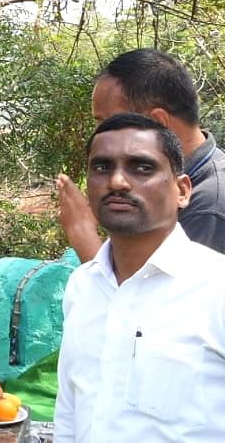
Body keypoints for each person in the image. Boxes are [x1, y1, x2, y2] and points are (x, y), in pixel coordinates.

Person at [54, 112, 225, 441]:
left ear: (182, 191)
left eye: (142, 167)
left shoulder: (216, 288)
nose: (117, 181)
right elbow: (69, 413)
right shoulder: (83, 287)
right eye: (102, 167)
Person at [56, 48, 225, 258]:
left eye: (109, 123)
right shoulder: (172, 179)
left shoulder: (209, 209)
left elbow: (157, 290)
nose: (99, 135)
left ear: (157, 123)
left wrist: (82, 232)